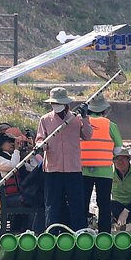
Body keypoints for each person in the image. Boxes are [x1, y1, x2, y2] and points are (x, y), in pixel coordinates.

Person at [35, 86, 93, 230]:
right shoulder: (45, 119)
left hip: (73, 168)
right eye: (53, 103)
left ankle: (80, 233)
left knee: (77, 204)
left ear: (65, 103)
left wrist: (85, 117)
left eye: (58, 103)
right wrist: (41, 145)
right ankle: (51, 234)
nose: (56, 106)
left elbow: (88, 135)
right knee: (52, 204)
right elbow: (40, 139)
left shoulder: (75, 119)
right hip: (52, 169)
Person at [81, 93, 124, 233]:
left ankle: (81, 231)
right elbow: (118, 149)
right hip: (105, 170)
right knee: (104, 204)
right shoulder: (110, 124)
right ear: (104, 110)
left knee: (83, 203)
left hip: (83, 170)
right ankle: (104, 234)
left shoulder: (82, 122)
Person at [0, 130, 43, 232]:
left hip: (19, 194)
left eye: (12, 142)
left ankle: (29, 230)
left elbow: (32, 168)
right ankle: (33, 231)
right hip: (8, 198)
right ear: (0, 144)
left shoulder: (14, 157)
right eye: (8, 142)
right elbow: (13, 166)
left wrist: (30, 153)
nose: (11, 144)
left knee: (41, 199)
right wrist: (16, 150)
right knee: (36, 201)